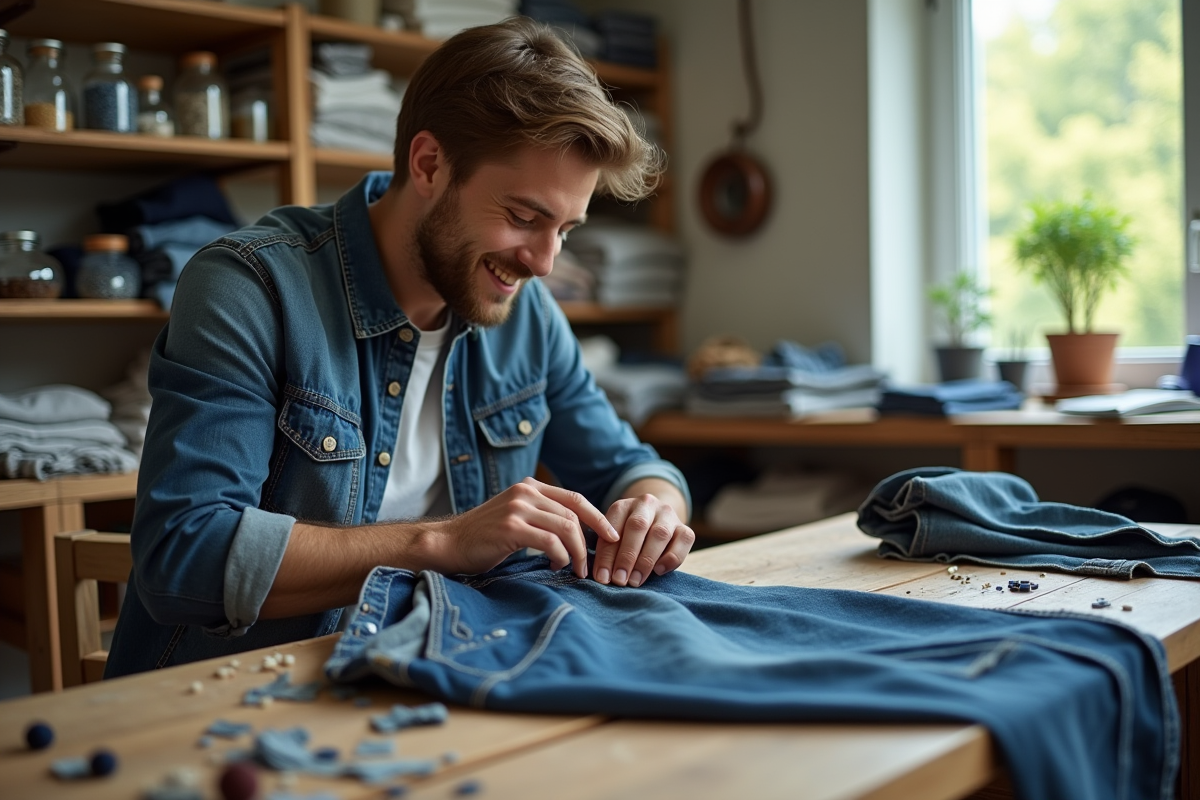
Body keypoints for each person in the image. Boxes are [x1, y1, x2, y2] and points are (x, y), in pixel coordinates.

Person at [106, 18, 694, 677]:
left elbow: (628, 468)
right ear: (429, 165)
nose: (544, 262)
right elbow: (185, 556)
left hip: (434, 679)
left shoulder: (527, 315)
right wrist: (444, 542)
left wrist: (653, 511)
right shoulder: (250, 287)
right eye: (524, 218)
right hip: (234, 694)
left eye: (566, 230)